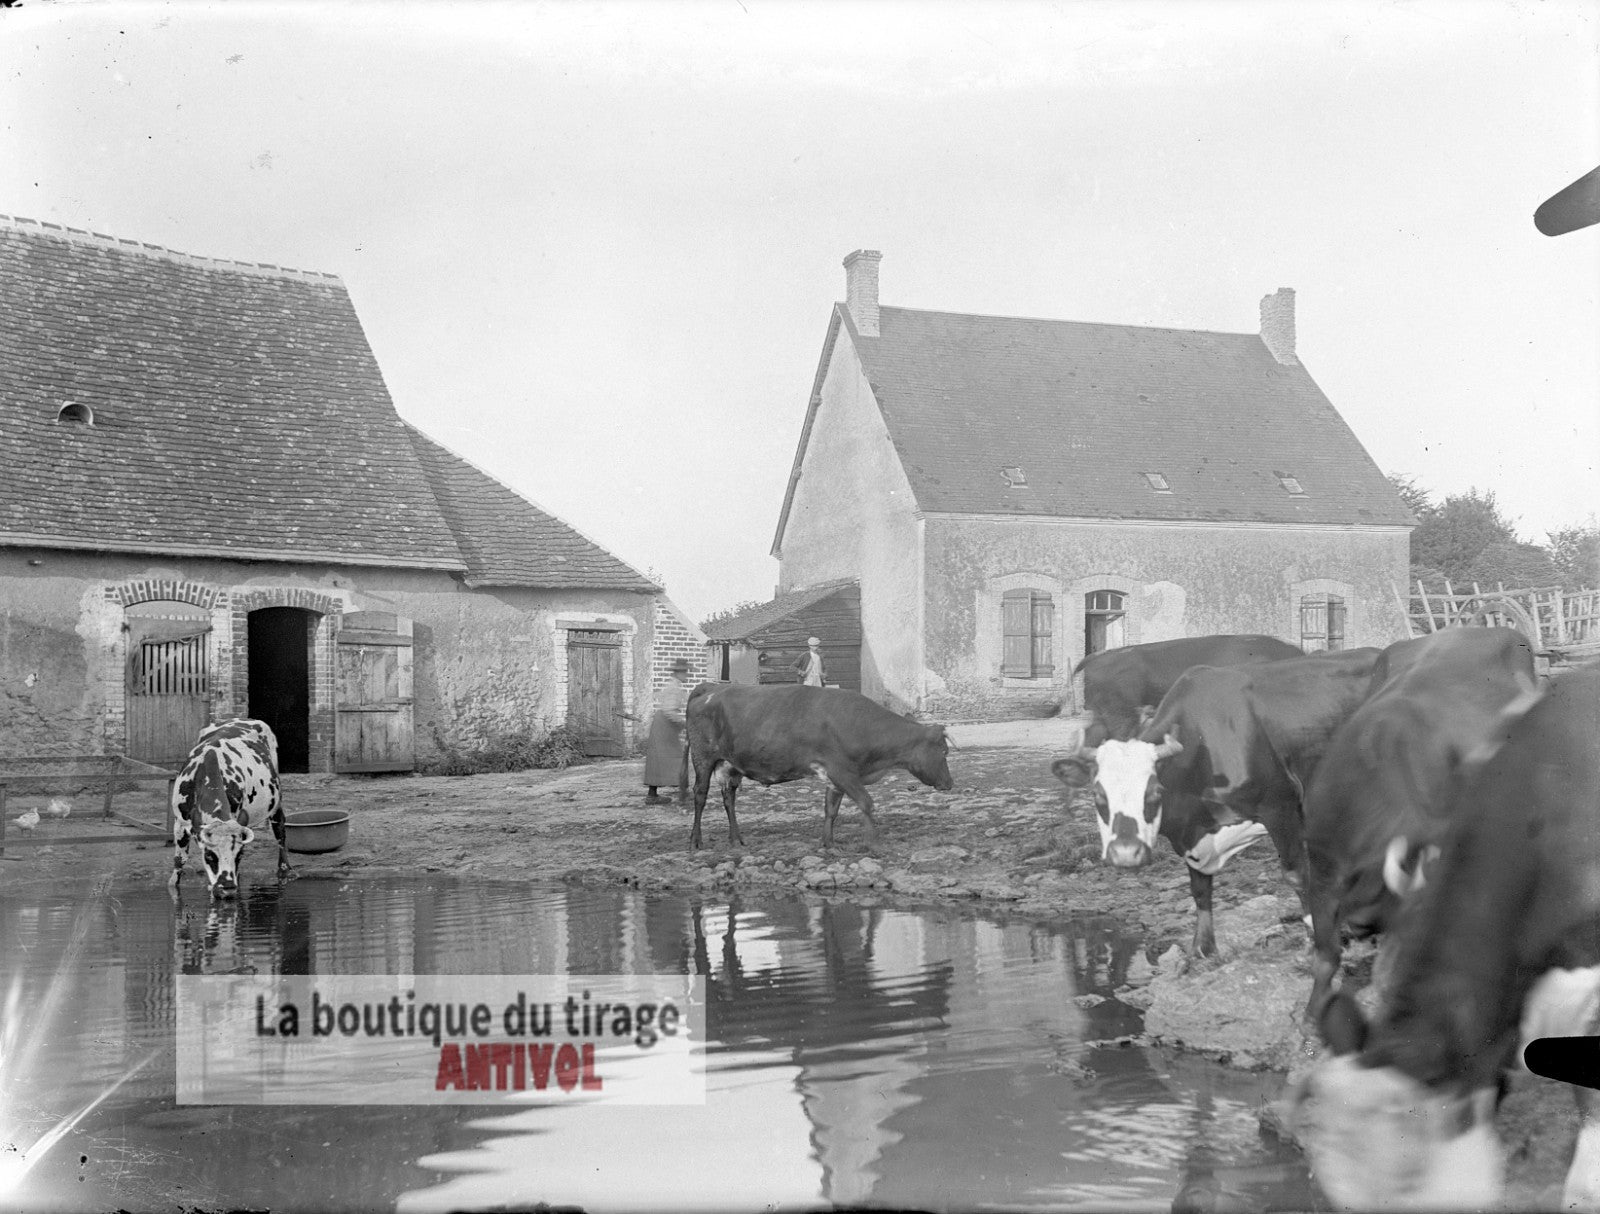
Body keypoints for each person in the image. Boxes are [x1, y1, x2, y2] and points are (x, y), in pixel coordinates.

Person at [643, 657, 690, 805]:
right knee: (674, 758)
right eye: (684, 672)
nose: (686, 675)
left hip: (664, 725)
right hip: (665, 725)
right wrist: (684, 723)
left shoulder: (674, 686)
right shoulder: (674, 688)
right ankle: (681, 793)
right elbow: (669, 711)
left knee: (662, 759)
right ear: (678, 673)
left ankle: (654, 794)